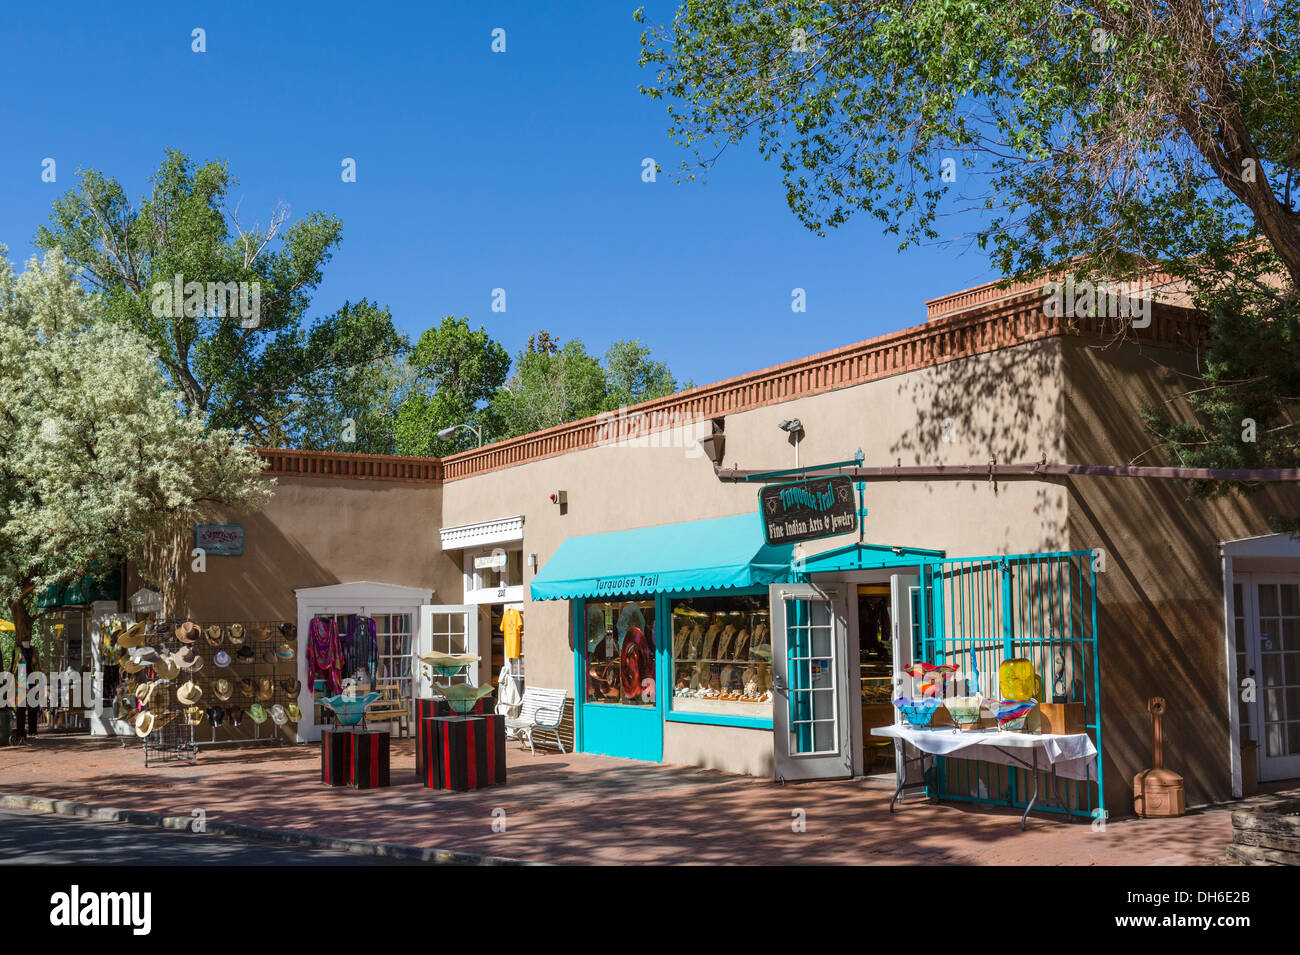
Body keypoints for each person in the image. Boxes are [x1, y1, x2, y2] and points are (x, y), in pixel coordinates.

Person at [9, 637, 39, 743]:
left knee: (33, 707)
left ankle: (32, 730)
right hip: (21, 681)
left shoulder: (35, 650)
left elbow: (37, 666)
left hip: (32, 680)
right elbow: (13, 667)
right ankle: (20, 731)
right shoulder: (17, 650)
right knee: (20, 708)